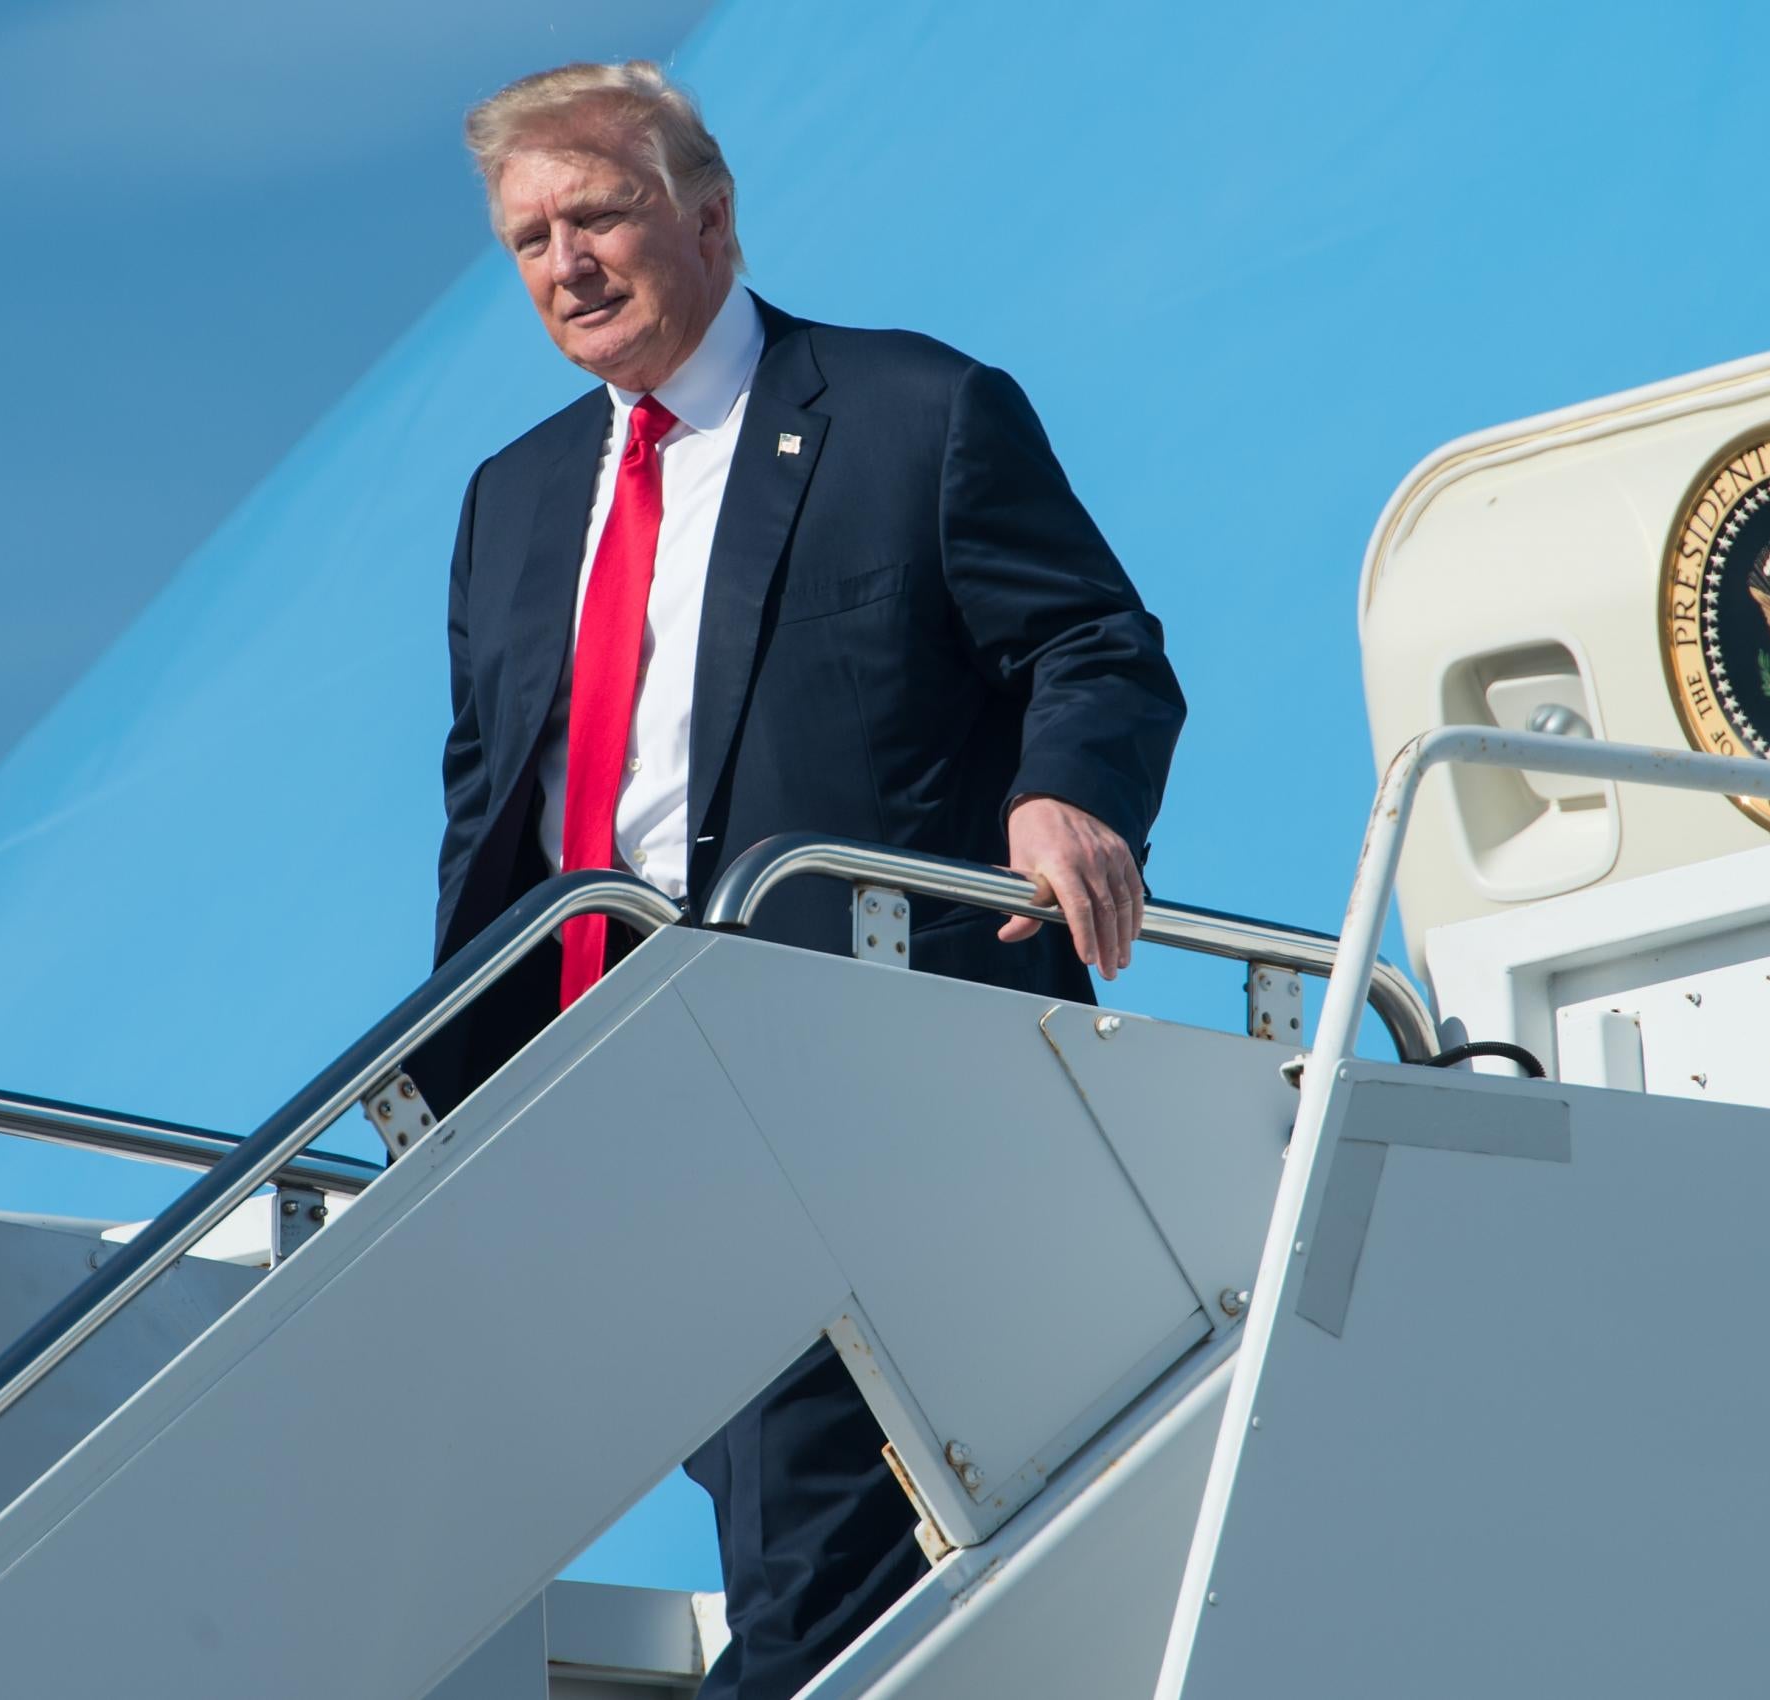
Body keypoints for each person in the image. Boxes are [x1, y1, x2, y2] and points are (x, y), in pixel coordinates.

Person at [420, 60, 1185, 1700]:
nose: (565, 261)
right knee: (770, 1510)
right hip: (603, 1091)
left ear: (710, 216)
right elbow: (491, 816)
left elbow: (1097, 646)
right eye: (529, 237)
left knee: (805, 1545)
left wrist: (1065, 795)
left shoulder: (914, 414)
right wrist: (448, 1086)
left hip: (849, 1065)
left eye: (598, 213)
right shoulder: (513, 501)